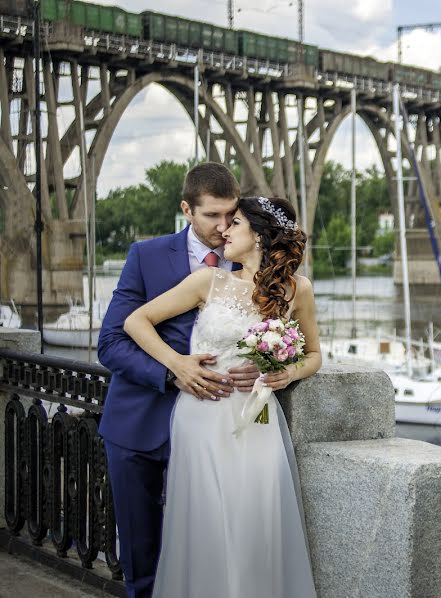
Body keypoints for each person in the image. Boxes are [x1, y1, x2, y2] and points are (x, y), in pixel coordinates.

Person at [123, 196, 321, 597]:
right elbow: (136, 321)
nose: (224, 230)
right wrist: (179, 363)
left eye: (236, 223)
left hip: (258, 420)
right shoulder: (207, 282)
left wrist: (286, 373)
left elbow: (315, 355)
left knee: (255, 522)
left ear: (260, 235)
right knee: (207, 523)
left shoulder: (297, 290)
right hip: (202, 417)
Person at [97, 162, 258, 598]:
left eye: (231, 214)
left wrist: (265, 365)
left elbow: (276, 338)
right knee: (141, 556)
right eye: (212, 216)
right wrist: (174, 370)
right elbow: (111, 342)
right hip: (139, 425)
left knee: (212, 552)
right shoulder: (145, 257)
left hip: (217, 433)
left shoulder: (251, 264)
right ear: (187, 209)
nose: (223, 227)